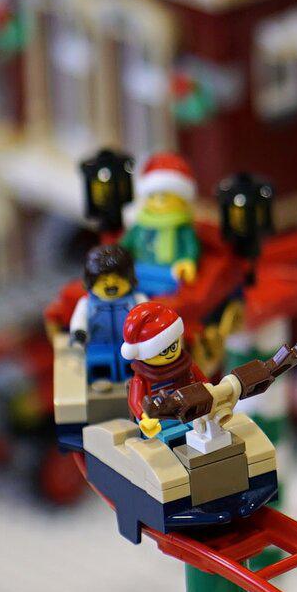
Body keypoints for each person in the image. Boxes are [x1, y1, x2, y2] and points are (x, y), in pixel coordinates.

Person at [121, 302, 207, 442]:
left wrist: (208, 391)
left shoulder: (187, 365)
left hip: (187, 410)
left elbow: (204, 382)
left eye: (174, 347)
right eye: (163, 351)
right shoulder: (142, 378)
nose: (170, 354)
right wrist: (144, 416)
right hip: (158, 418)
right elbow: (135, 401)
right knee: (165, 439)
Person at [122, 152, 200, 297]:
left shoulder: (182, 228)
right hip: (140, 269)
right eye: (152, 196)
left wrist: (187, 261)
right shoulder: (140, 225)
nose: (158, 202)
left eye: (164, 198)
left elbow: (190, 248)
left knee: (166, 292)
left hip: (169, 272)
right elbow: (127, 243)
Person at [68, 244, 139, 384]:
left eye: (118, 279)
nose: (111, 284)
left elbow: (148, 317)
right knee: (97, 362)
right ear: (91, 281)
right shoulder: (86, 304)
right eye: (103, 280)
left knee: (136, 361)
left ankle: (135, 379)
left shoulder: (137, 300)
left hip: (131, 344)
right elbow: (79, 320)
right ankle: (100, 378)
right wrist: (79, 333)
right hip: (98, 344)